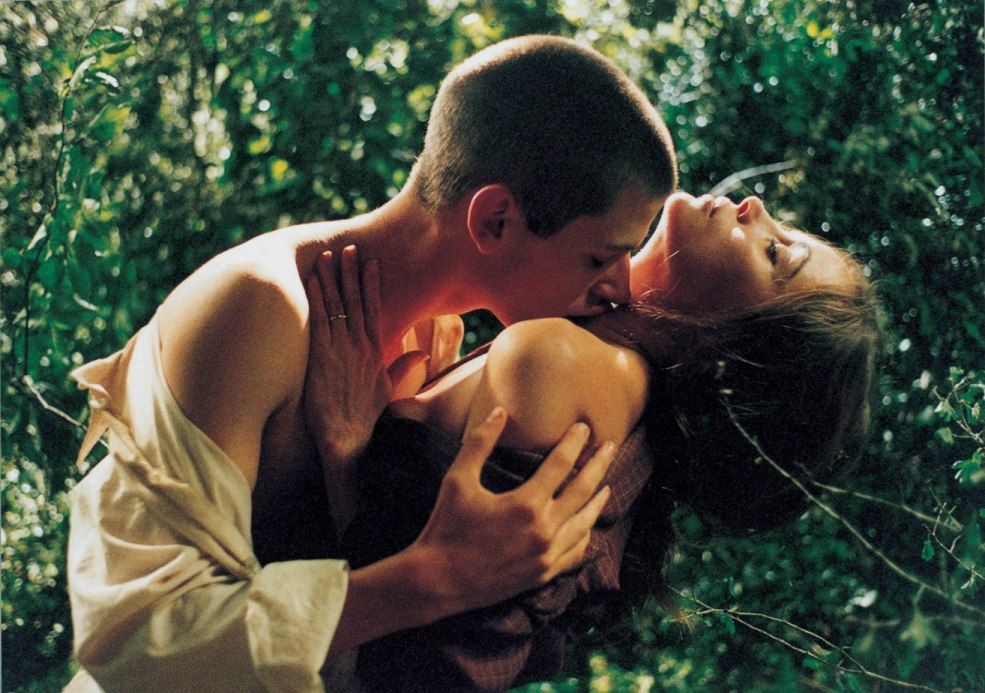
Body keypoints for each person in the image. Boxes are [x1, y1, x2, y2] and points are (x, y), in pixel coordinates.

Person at [64, 35, 679, 692]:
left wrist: (350, 464)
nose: (620, 285)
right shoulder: (260, 312)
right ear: (496, 220)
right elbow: (135, 643)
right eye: (599, 258)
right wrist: (438, 578)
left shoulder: (434, 336)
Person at [302, 191, 882, 691]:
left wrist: (348, 448)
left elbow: (423, 658)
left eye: (775, 253)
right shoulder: (601, 386)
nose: (755, 207)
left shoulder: (561, 362)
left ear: (728, 354)